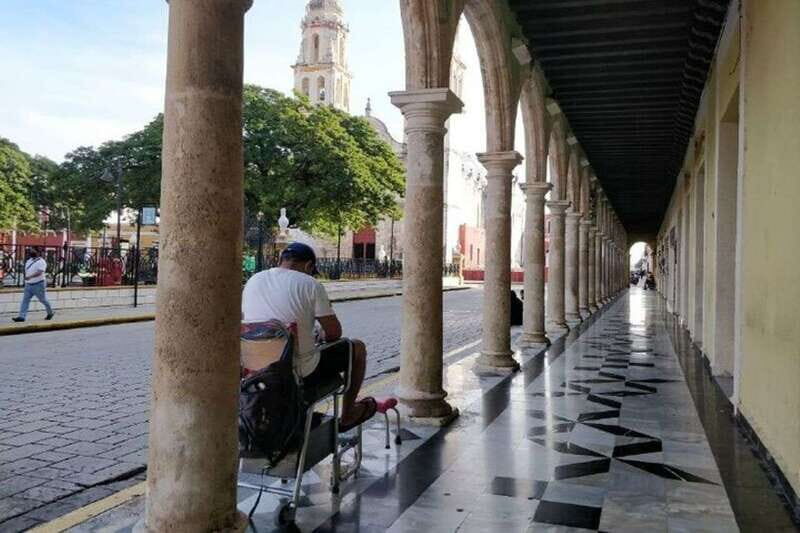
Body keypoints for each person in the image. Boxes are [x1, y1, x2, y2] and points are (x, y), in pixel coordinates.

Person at [242, 242, 375, 432]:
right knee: (358, 348)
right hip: (297, 370)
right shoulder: (311, 284)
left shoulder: (254, 280)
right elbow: (334, 333)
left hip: (254, 366)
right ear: (308, 266)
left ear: (281, 261)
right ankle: (348, 414)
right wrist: (319, 334)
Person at [12, 248, 54, 322]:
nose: (31, 252)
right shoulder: (29, 261)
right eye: (31, 251)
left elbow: (40, 272)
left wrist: (30, 276)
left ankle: (50, 312)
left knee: (43, 300)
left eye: (33, 251)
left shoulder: (41, 261)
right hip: (28, 284)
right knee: (25, 300)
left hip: (39, 284)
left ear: (38, 252)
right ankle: (22, 317)